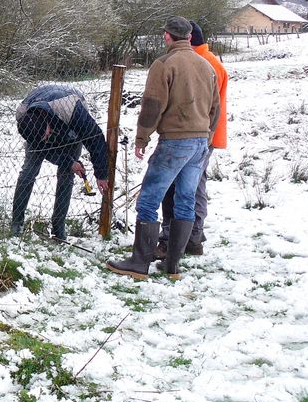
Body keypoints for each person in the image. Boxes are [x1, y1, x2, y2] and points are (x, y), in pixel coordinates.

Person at [108, 16, 220, 281]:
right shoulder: (207, 66)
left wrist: (141, 139)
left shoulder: (164, 64)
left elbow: (152, 105)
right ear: (190, 37)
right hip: (200, 143)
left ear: (167, 36)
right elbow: (215, 108)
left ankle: (139, 263)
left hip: (175, 141)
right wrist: (207, 135)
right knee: (185, 200)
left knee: (148, 200)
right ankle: (172, 266)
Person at [156, 20, 228, 259]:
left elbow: (202, 104)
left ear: (188, 40)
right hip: (207, 135)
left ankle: (178, 239)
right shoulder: (213, 61)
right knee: (194, 187)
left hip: (195, 135)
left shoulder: (201, 64)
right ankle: (192, 238)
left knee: (183, 188)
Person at [11, 84, 111, 242]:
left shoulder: (71, 109)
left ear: (47, 124)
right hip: (43, 121)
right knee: (28, 172)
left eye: (46, 134)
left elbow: (95, 139)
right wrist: (68, 162)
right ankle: (16, 225)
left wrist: (101, 174)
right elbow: (40, 148)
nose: (48, 137)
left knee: (66, 176)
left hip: (70, 128)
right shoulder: (23, 115)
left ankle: (59, 229)